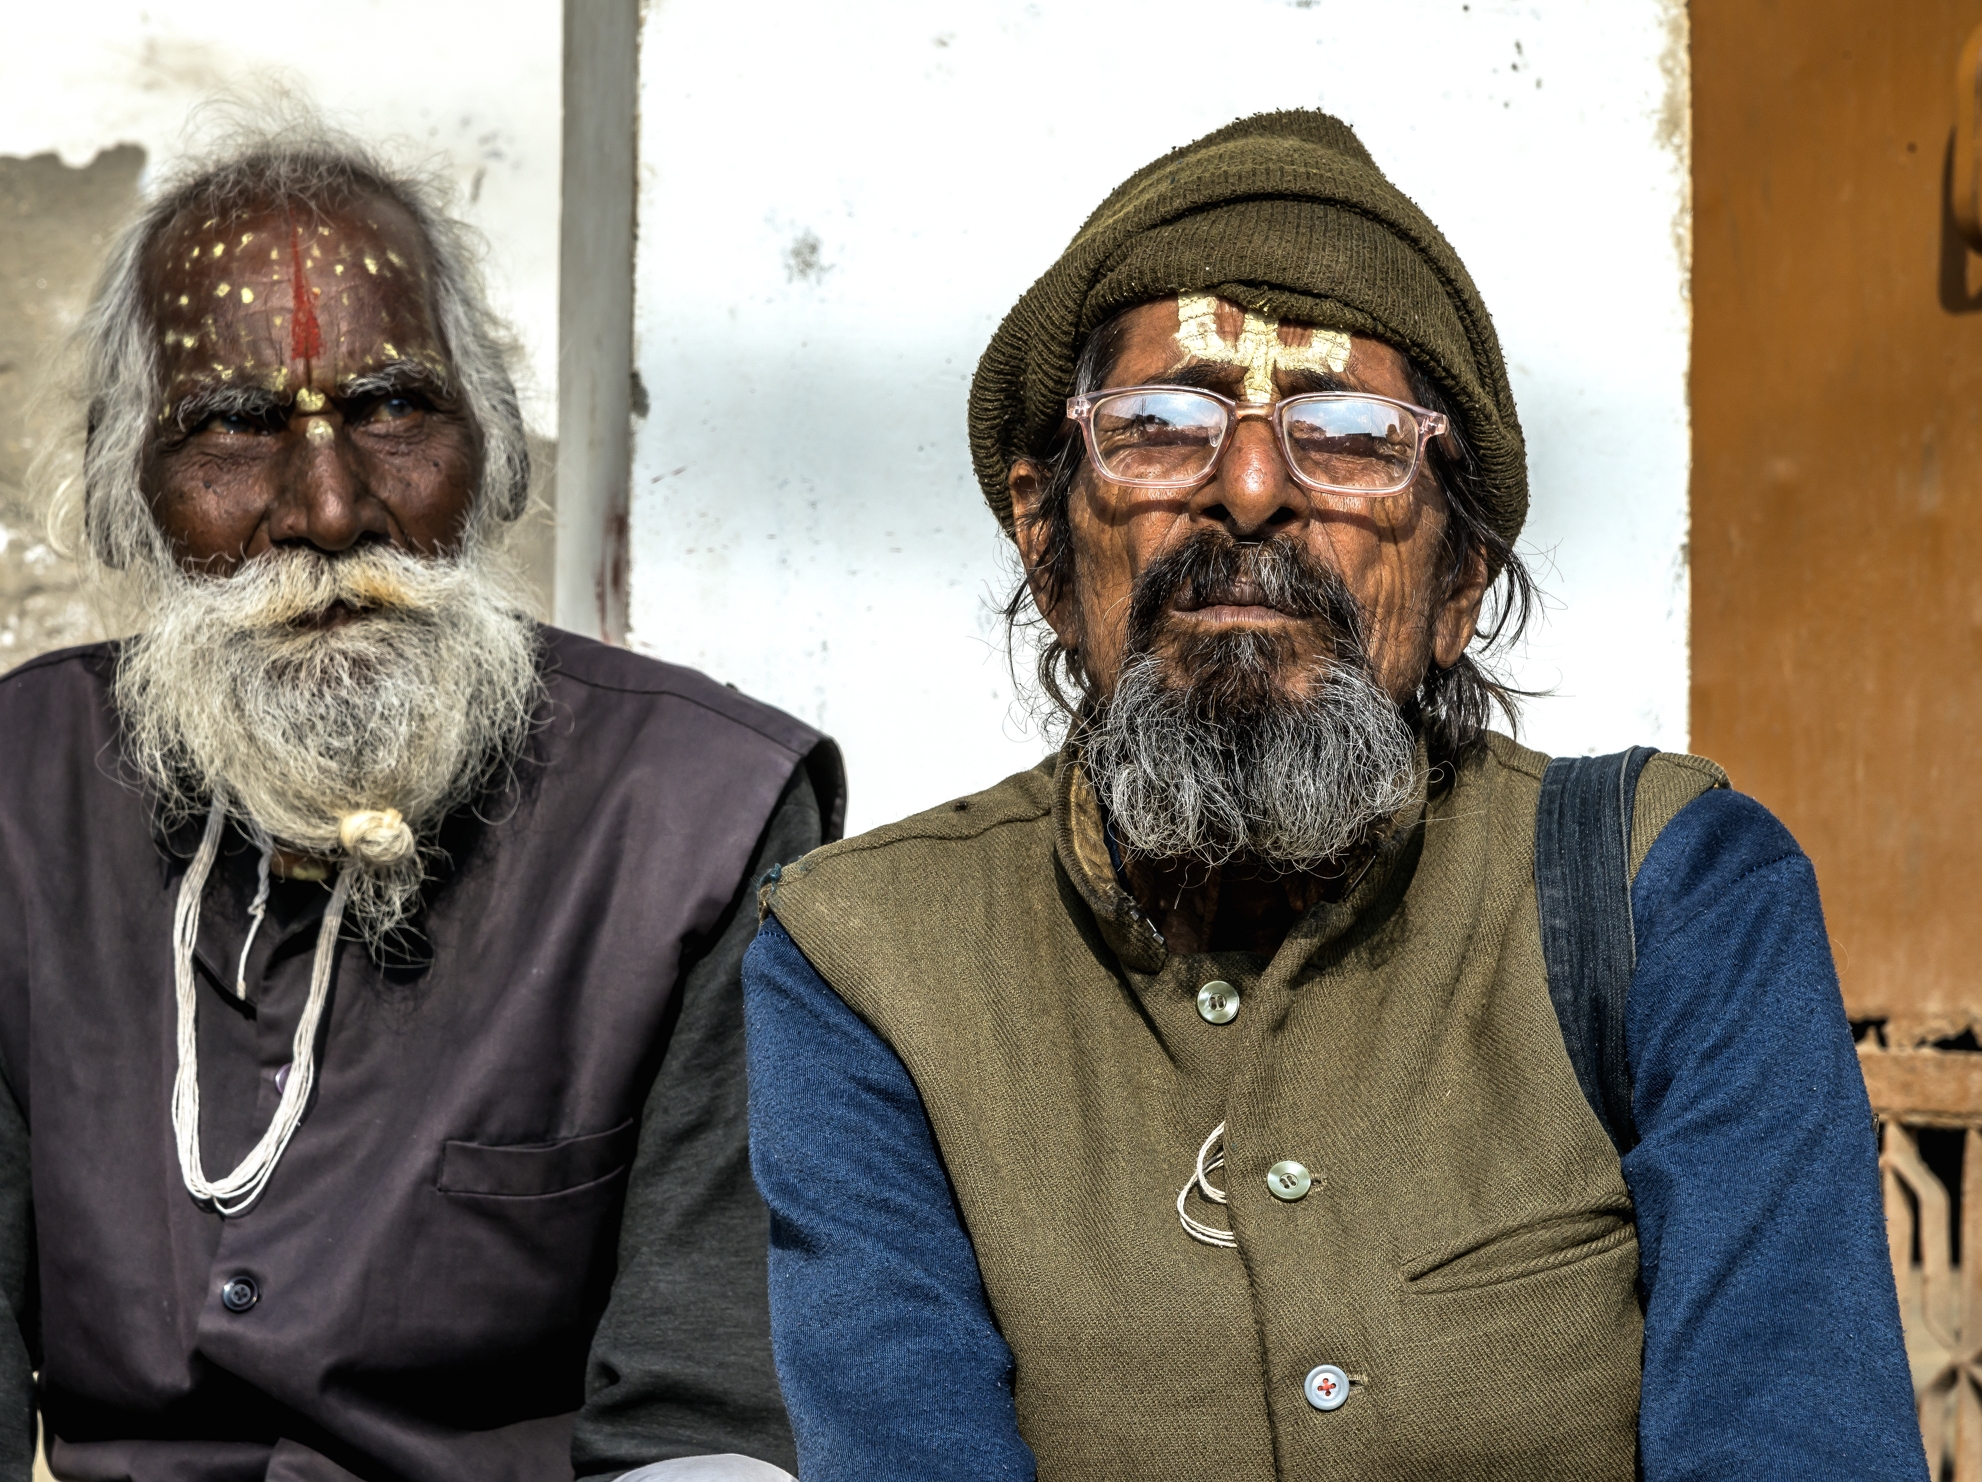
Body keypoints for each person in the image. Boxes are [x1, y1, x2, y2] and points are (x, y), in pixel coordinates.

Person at [742, 111, 1925, 1481]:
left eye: (1351, 439)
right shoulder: (866, 963)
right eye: (1160, 428)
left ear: (1459, 585)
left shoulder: (1669, 897)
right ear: (1047, 546)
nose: (1248, 490)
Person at [0, 114, 836, 1482]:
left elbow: (704, 1432)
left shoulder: (701, 814)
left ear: (495, 448)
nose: (330, 509)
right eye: (229, 427)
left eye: (395, 406)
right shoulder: (17, 787)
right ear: (126, 490)